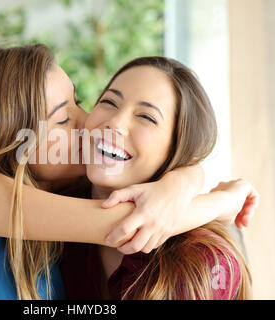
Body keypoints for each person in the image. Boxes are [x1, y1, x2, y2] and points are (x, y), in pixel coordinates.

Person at [0, 44, 257, 300]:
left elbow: (159, 162)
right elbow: (132, 221)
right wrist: (227, 197)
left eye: (81, 101)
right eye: (64, 118)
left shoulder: (53, 205)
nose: (90, 122)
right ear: (13, 141)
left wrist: (185, 177)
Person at [62, 56, 256, 299]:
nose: (115, 123)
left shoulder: (203, 263)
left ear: (176, 149)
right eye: (109, 101)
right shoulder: (58, 199)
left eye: (147, 117)